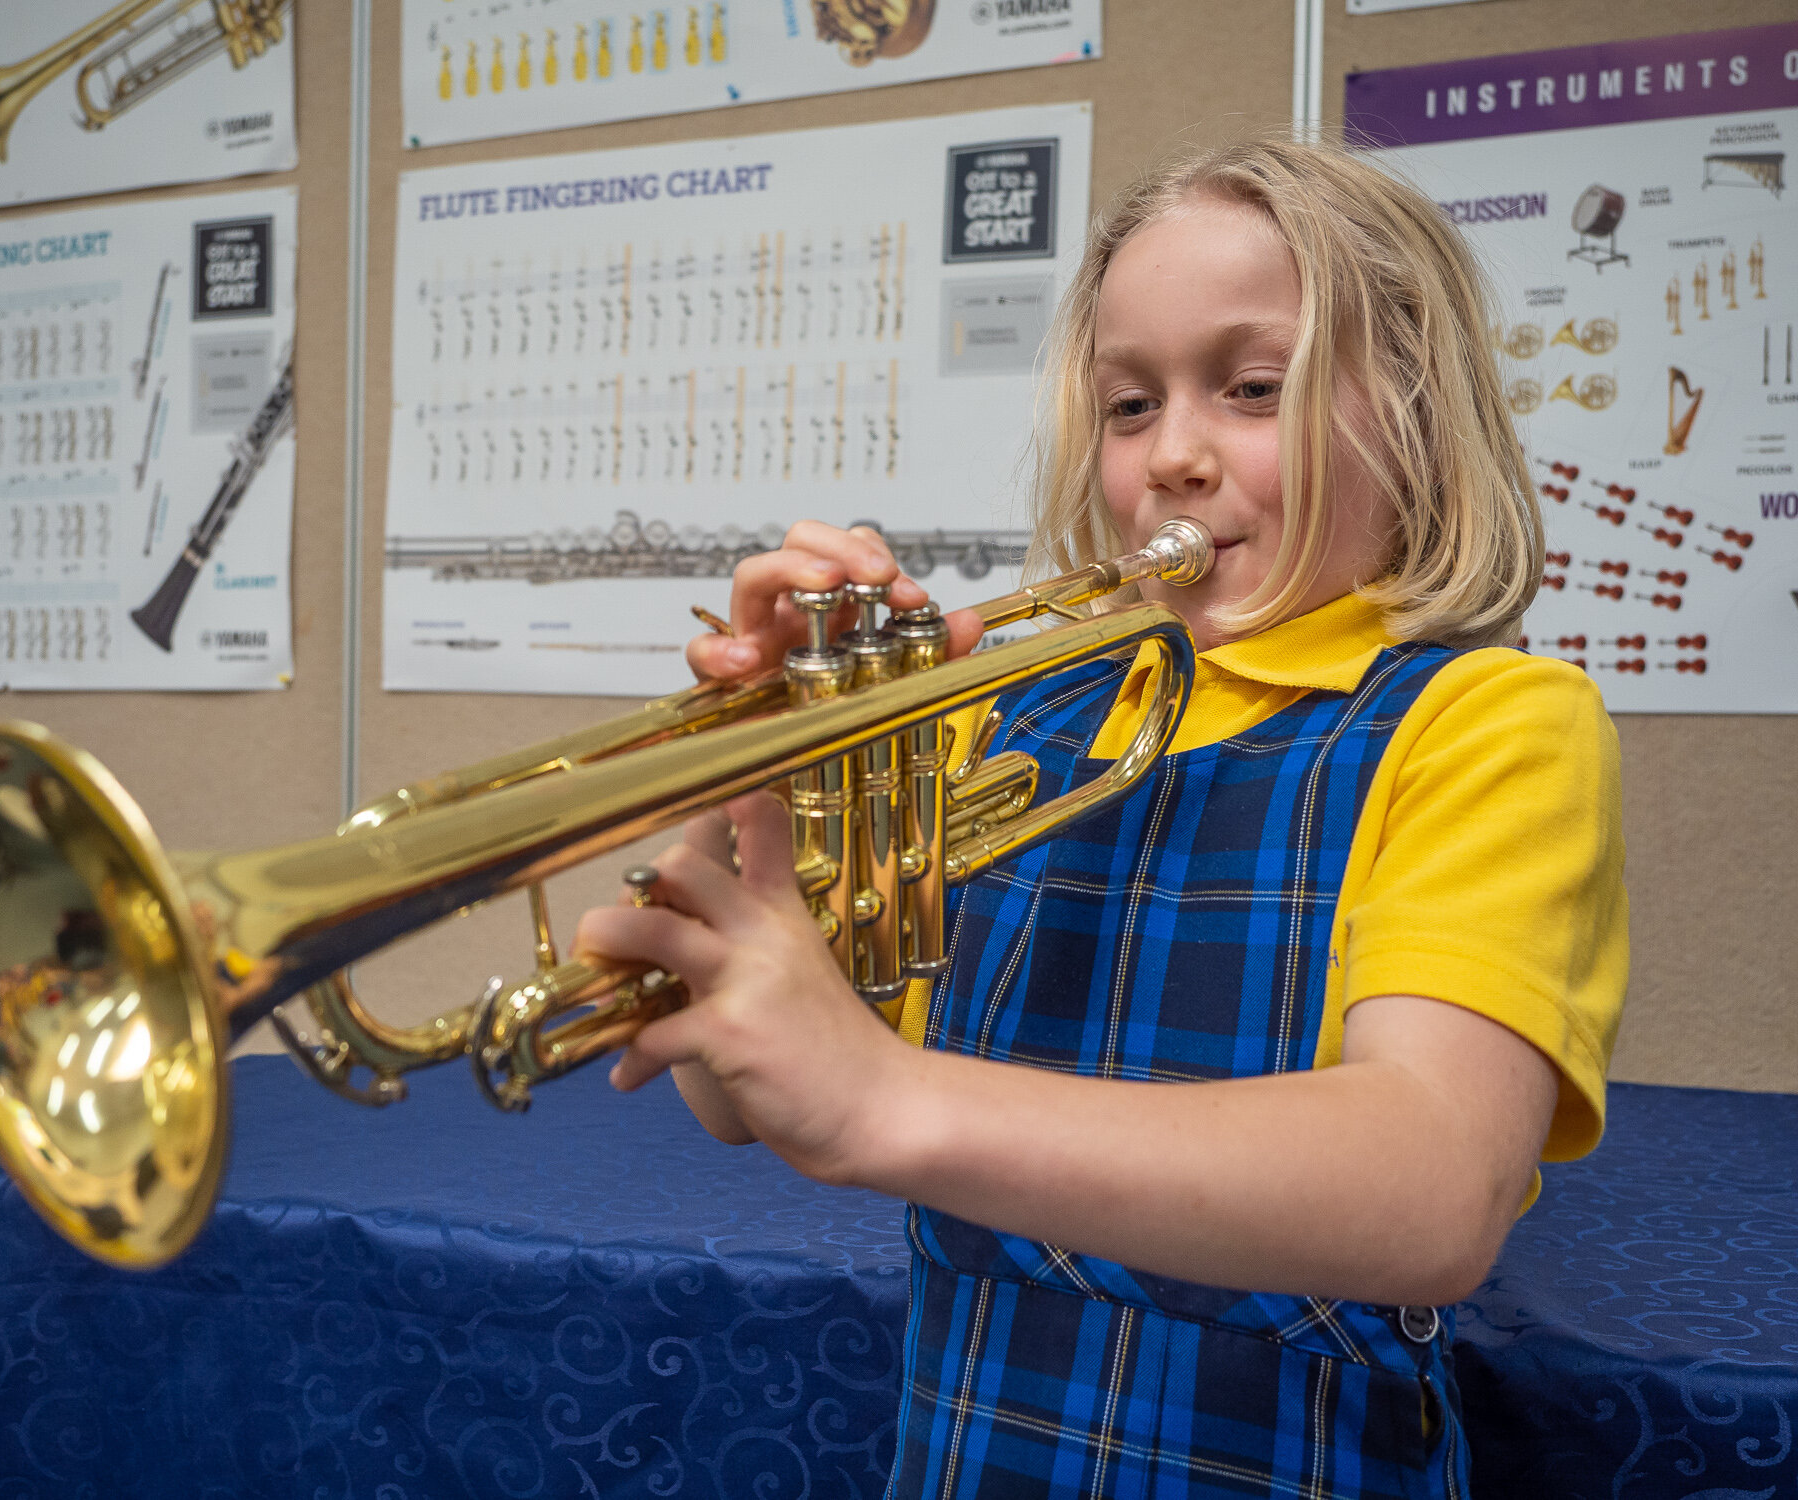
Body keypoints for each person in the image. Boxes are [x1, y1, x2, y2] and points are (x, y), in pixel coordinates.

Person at [573, 136, 1628, 1498]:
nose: (1175, 456)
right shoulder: (1003, 720)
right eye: (1130, 407)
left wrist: (888, 1097)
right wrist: (752, 776)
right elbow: (736, 1098)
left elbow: (1437, 1189)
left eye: (1253, 389)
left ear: (1416, 412)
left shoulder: (1484, 720)